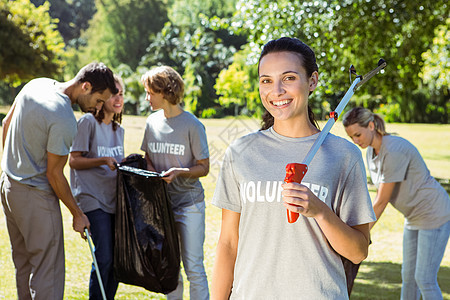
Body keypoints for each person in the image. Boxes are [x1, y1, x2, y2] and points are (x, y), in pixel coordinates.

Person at [210, 37, 376, 300]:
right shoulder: (240, 152)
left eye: (288, 78)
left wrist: (320, 211)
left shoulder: (345, 155)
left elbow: (358, 251)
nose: (276, 90)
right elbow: (228, 244)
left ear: (312, 81)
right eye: (266, 80)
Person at [0, 62, 118, 300]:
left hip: (9, 188)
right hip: (36, 198)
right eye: (98, 100)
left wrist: (9, 169)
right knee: (48, 273)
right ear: (85, 86)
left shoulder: (36, 84)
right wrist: (77, 214)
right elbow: (55, 174)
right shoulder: (64, 118)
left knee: (24, 266)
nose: (97, 108)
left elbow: (5, 124)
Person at [342, 107, 450, 300]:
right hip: (413, 217)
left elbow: (382, 200)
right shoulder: (371, 152)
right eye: (352, 137)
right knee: (408, 278)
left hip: (434, 213)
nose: (356, 141)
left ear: (372, 125)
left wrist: (361, 233)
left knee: (424, 279)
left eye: (358, 134)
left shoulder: (393, 149)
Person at [140, 66, 210, 300]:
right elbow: (148, 157)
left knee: (194, 267)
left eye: (150, 92)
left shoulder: (192, 125)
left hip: (189, 205)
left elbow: (204, 167)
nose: (147, 97)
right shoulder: (151, 122)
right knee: (170, 266)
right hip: (163, 207)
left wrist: (179, 172)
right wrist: (152, 173)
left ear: (164, 91)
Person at [69, 75, 125, 300]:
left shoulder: (118, 130)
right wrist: (101, 160)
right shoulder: (87, 123)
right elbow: (73, 161)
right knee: (103, 258)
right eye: (114, 94)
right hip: (92, 200)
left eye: (121, 94)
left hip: (114, 202)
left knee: (116, 260)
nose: (118, 98)